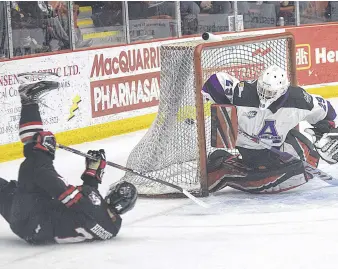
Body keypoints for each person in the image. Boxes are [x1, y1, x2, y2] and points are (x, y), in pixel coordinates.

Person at [0, 72, 137, 244]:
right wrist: (92, 173)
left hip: (32, 215)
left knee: (36, 154)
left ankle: (29, 99)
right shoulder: (112, 227)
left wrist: (45, 152)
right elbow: (86, 208)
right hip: (29, 224)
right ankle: (29, 99)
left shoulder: (94, 207)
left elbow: (51, 182)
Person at [202, 65, 337, 193]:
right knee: (271, 181)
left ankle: (235, 166)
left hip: (278, 145)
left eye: (270, 92)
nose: (265, 95)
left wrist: (325, 130)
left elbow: (327, 111)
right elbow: (215, 81)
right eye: (263, 90)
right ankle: (226, 168)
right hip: (250, 151)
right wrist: (220, 99)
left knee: (309, 161)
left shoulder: (298, 99)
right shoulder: (243, 92)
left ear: (282, 91)